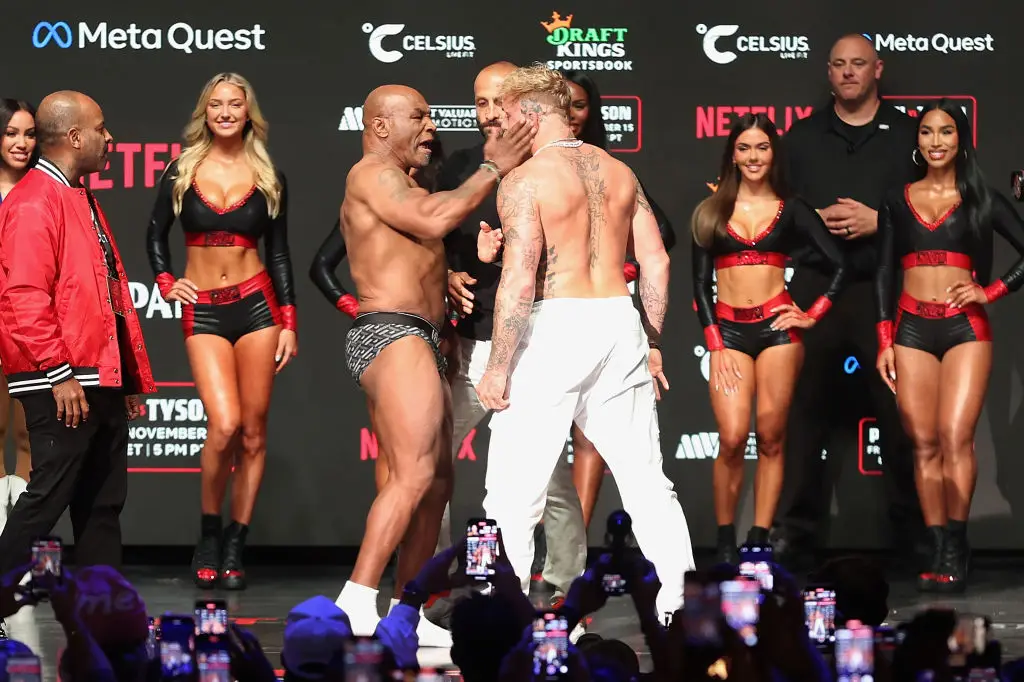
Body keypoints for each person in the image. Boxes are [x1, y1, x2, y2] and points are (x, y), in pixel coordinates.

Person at [474, 64, 693, 616]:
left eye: (506, 112)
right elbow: (657, 261)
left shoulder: (524, 180)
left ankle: (503, 612)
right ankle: (686, 605)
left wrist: (498, 365)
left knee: (513, 490)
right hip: (619, 320)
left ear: (530, 111)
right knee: (646, 480)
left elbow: (520, 278)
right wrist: (651, 337)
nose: (499, 122)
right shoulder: (620, 172)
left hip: (555, 325)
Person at [334, 83, 534, 642]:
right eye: (418, 118)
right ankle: (355, 598)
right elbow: (433, 220)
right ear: (379, 126)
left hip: (418, 333)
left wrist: (451, 272)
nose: (431, 128)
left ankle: (410, 609)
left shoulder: (403, 181)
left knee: (439, 479)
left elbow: (414, 245)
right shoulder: (371, 174)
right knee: (415, 473)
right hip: (390, 332)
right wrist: (494, 167)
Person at [437, 61, 587, 613]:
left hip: (540, 343)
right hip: (475, 344)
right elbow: (433, 234)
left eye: (500, 99)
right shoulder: (457, 166)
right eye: (479, 102)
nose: (491, 112)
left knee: (549, 477)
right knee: (433, 463)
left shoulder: (556, 160)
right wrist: (449, 273)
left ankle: (569, 583)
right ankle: (439, 575)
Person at [772, 33, 922, 569]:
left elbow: (938, 212)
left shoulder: (909, 134)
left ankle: (914, 534)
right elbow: (779, 213)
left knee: (901, 414)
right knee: (804, 412)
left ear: (878, 68)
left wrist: (879, 223)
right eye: (839, 65)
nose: (848, 73)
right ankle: (793, 532)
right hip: (816, 289)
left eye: (858, 64)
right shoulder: (803, 137)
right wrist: (817, 230)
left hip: (885, 288)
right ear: (828, 73)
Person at [145, 72, 298, 591]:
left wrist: (290, 322)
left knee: (255, 434)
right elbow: (154, 234)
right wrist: (165, 280)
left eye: (235, 104)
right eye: (217, 105)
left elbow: (278, 253)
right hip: (204, 309)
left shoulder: (269, 174)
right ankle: (208, 533)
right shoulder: (181, 170)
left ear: (248, 111)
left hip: (259, 306)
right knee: (226, 424)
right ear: (204, 112)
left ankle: (236, 542)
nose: (226, 112)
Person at [0, 90, 155, 573]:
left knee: (102, 507)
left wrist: (125, 376)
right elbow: (23, 296)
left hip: (96, 375)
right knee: (44, 503)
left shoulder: (77, 194)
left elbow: (105, 294)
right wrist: (58, 371)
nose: (109, 138)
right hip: (65, 379)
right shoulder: (31, 202)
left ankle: (102, 618)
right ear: (73, 136)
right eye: (101, 129)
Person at [874, 100, 1024, 592]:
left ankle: (957, 543)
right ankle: (937, 544)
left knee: (956, 436)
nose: (935, 141)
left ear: (961, 139)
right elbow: (883, 271)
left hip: (966, 327)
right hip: (911, 326)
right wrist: (885, 341)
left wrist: (991, 290)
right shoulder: (898, 199)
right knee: (923, 442)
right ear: (917, 142)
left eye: (945, 132)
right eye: (926, 133)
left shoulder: (980, 196)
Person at [691, 113, 848, 564]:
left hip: (778, 333)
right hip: (730, 333)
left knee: (773, 436)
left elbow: (837, 264)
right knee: (734, 436)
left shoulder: (792, 209)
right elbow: (699, 285)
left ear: (773, 153)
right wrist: (716, 341)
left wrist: (810, 312)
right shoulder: (712, 210)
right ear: (733, 155)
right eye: (745, 148)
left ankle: (759, 536)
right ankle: (725, 538)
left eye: (762, 147)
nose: (754, 156)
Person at [558, 69, 677, 531]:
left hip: (600, 315)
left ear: (593, 112)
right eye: (561, 102)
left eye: (580, 104)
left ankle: (574, 551)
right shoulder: (528, 169)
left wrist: (611, 271)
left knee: (590, 438)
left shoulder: (611, 168)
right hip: (539, 314)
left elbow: (658, 240)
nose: (570, 113)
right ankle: (544, 553)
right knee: (539, 442)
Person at [0, 99, 38, 531]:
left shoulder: (45, 190)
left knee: (31, 436)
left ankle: (26, 544)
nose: (21, 143)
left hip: (31, 329)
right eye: (11, 133)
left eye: (29, 134)